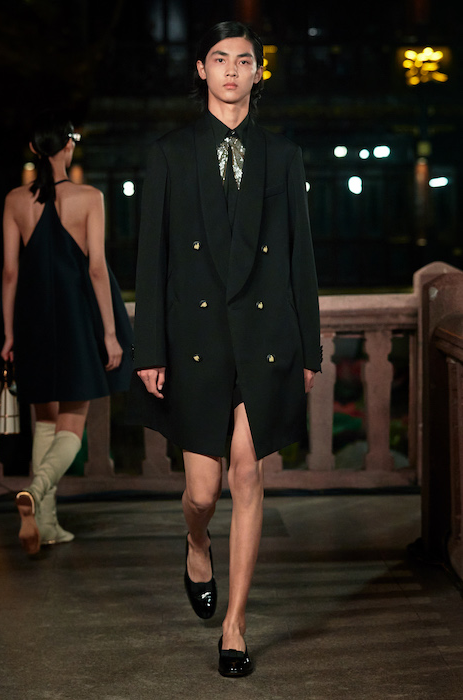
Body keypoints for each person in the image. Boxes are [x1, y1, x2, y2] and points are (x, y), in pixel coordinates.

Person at [128, 21, 322, 677]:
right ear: (202, 70)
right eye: (220, 59)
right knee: (203, 489)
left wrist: (310, 351)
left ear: (258, 72)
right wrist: (149, 349)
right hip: (195, 339)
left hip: (264, 340)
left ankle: (235, 627)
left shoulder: (283, 155)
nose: (232, 70)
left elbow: (299, 258)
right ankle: (195, 542)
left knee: (247, 474)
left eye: (244, 60)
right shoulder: (170, 154)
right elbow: (151, 259)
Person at [1, 110, 133, 555]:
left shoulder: (15, 200)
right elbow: (96, 269)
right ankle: (36, 491)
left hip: (32, 317)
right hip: (76, 317)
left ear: (35, 150)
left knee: (45, 421)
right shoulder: (89, 197)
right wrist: (110, 334)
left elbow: (9, 273)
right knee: (72, 424)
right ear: (68, 146)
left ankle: (46, 524)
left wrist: (8, 334)